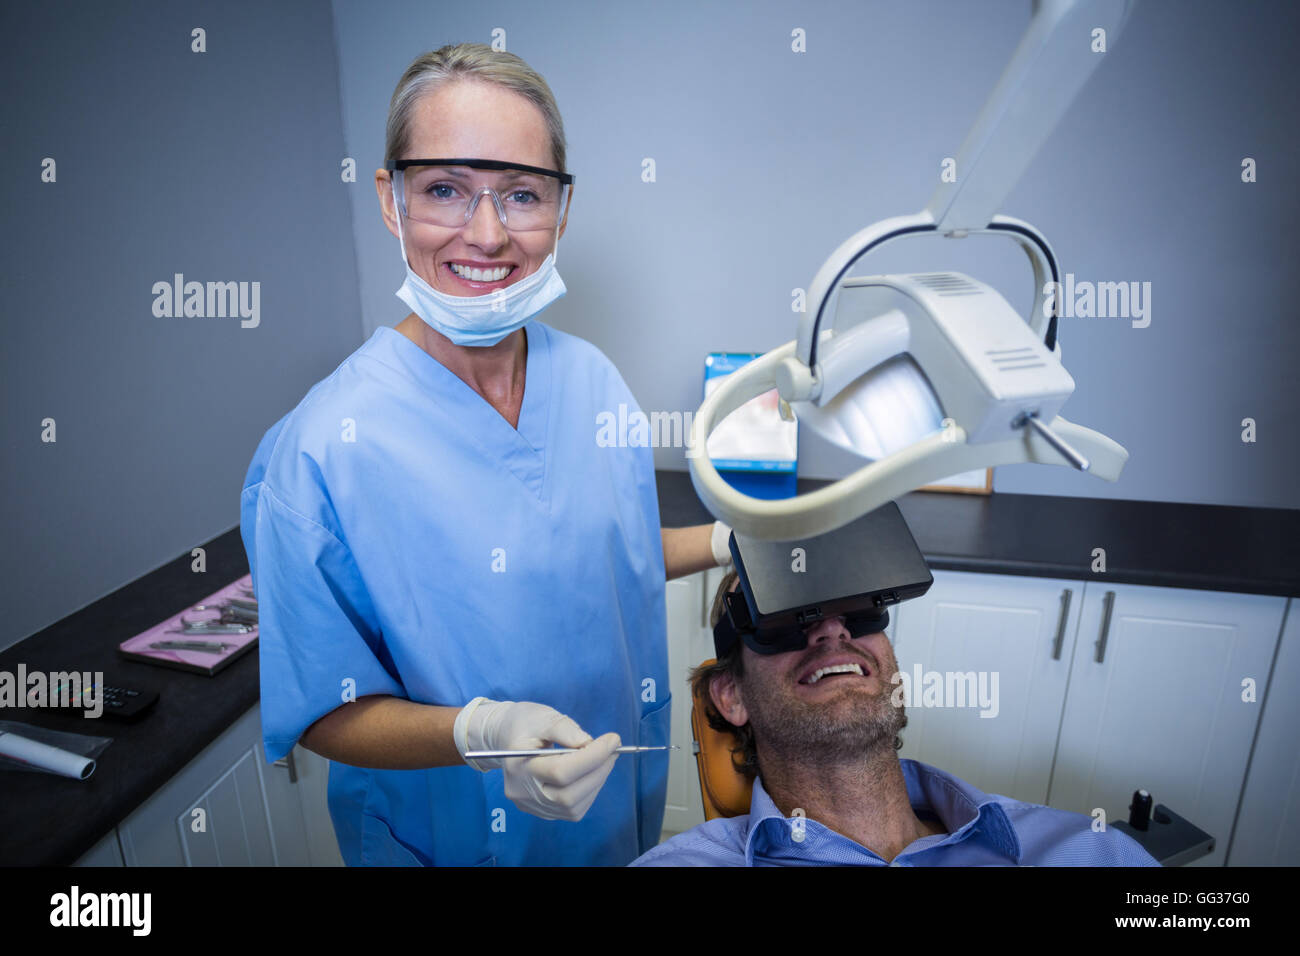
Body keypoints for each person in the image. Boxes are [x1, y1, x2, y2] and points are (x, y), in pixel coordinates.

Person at [240, 43, 731, 866]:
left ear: (562, 210)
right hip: (448, 838)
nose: (489, 233)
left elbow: (596, 561)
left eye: (521, 194)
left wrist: (727, 543)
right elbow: (321, 706)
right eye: (444, 189)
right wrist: (478, 733)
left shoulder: (595, 384)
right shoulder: (323, 449)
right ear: (391, 200)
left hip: (609, 816)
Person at [632, 571, 1161, 866]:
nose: (832, 629)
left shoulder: (1087, 851)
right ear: (731, 696)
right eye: (783, 618)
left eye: (860, 607)